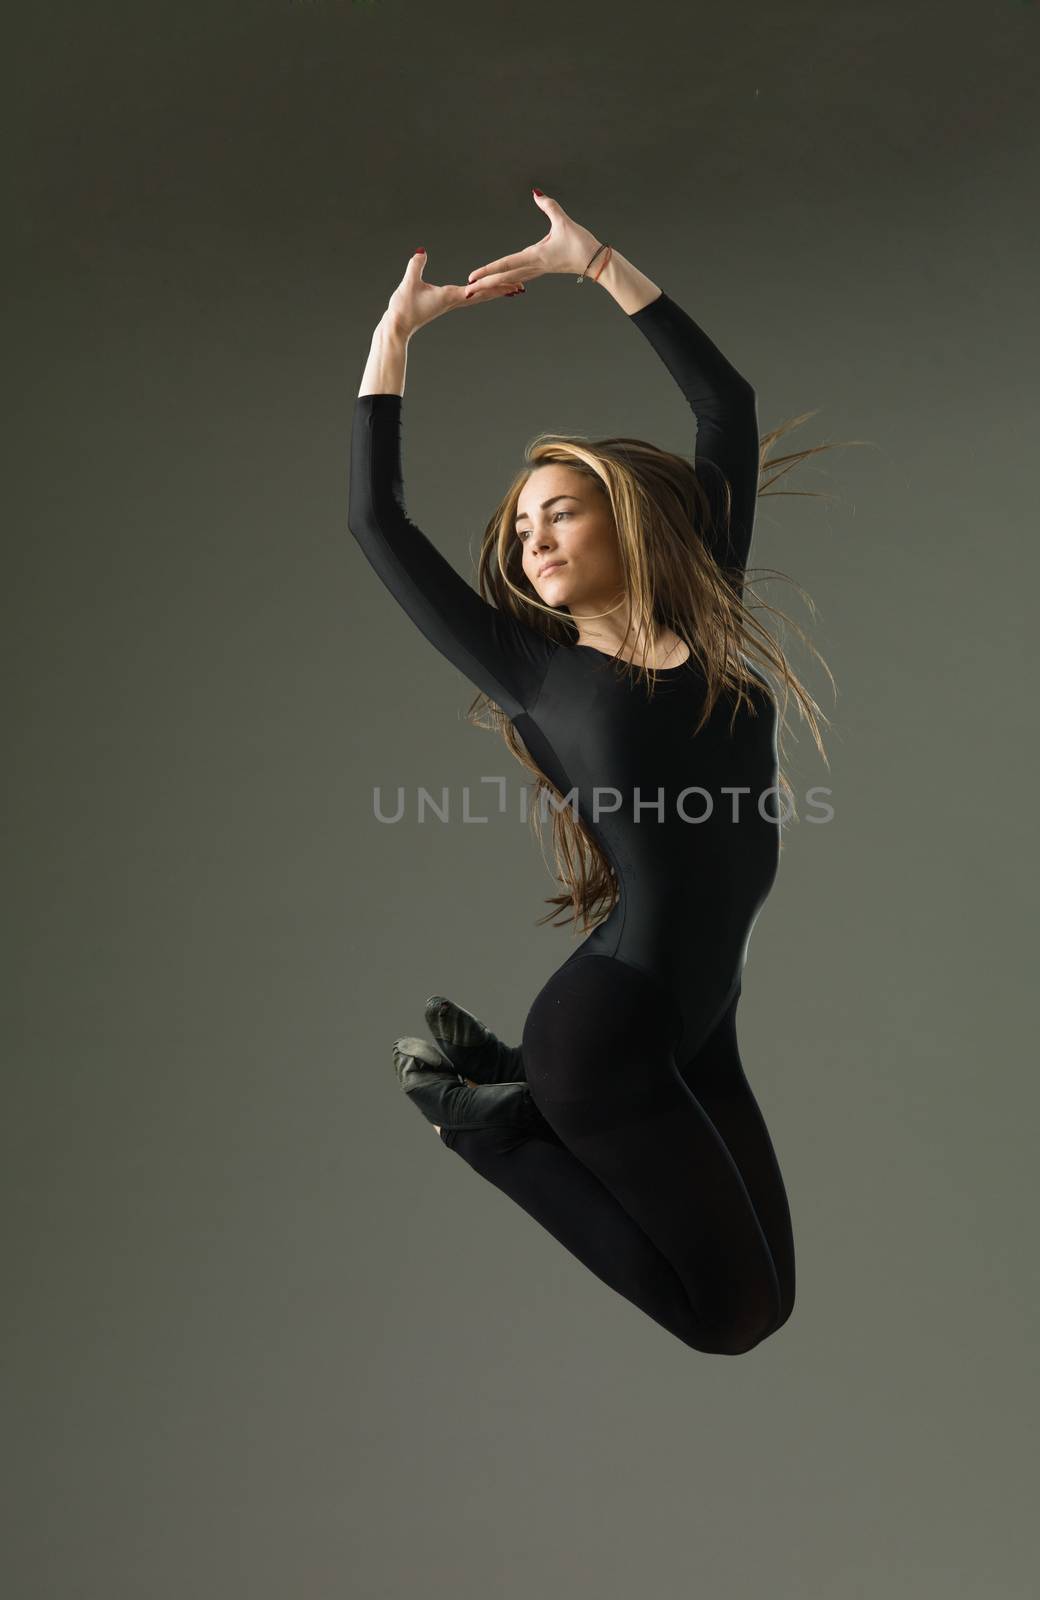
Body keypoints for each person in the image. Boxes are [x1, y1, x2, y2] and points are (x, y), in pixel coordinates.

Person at [347, 190, 835, 1355]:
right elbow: (379, 525)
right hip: (605, 1030)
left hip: (701, 1015)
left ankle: (506, 1118)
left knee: (771, 1303)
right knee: (727, 1320)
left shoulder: (705, 602)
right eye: (524, 531)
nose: (537, 542)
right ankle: (494, 1128)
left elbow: (727, 408)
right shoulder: (536, 671)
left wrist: (598, 262)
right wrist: (393, 342)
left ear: (624, 519)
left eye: (561, 513)